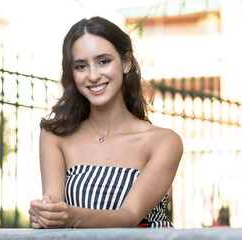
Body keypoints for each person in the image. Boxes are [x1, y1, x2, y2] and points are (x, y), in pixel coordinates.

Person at [29, 16, 183, 228]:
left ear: (126, 62)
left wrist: (71, 216)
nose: (93, 75)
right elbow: (55, 209)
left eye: (103, 61)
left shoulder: (164, 141)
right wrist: (46, 215)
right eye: (81, 66)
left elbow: (130, 216)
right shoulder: (55, 135)